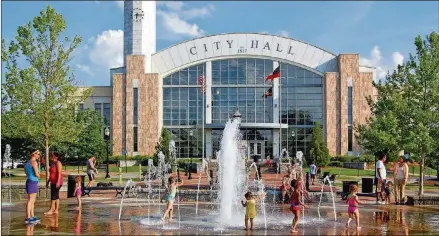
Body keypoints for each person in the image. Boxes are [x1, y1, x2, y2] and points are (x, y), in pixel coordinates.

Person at [25, 149, 41, 224]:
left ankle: (32, 215)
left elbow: (26, 172)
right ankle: (28, 217)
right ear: (33, 154)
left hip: (30, 181)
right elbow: (36, 174)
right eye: (38, 154)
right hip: (32, 182)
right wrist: (42, 175)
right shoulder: (34, 162)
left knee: (32, 200)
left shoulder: (27, 163)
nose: (39, 155)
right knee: (30, 200)